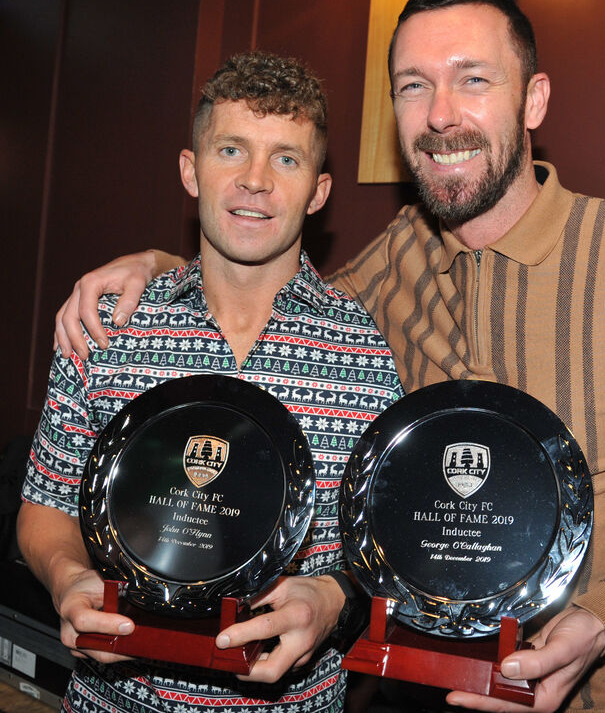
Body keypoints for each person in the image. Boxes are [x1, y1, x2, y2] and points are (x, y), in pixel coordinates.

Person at [50, 0, 605, 713]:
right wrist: (159, 266)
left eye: (473, 79)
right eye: (413, 86)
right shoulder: (398, 256)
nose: (440, 114)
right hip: (406, 691)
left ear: (533, 99)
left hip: (585, 700)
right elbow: (268, 284)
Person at [19, 51, 403, 713]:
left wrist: (334, 597)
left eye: (286, 158)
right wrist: (69, 577)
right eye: (231, 150)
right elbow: (45, 505)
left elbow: (383, 552)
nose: (255, 180)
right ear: (190, 170)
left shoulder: (364, 353)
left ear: (318, 192)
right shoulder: (108, 326)